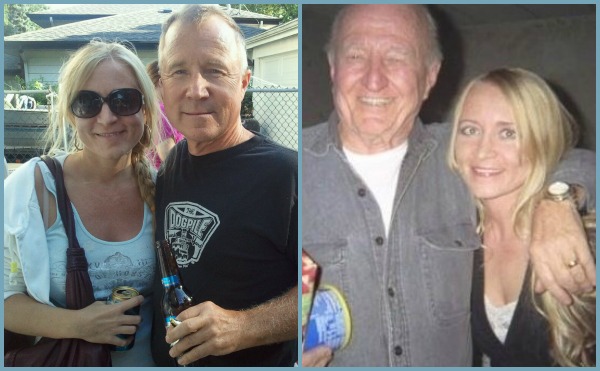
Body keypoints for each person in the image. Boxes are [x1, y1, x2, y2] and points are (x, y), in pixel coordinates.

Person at [302, 4, 596, 367]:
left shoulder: (461, 157)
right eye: (356, 55)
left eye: (396, 57)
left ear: (430, 76)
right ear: (333, 68)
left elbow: (561, 152)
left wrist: (560, 199)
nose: (373, 79)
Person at [151, 5, 297, 366]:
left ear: (244, 82)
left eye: (215, 70)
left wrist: (243, 326)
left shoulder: (290, 174)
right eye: (179, 71)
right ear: (162, 86)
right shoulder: (171, 167)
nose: (196, 89)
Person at [4, 40, 160, 366]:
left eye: (123, 100)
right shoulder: (33, 188)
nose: (106, 117)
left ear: (145, 108)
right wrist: (77, 325)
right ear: (70, 114)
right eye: (87, 103)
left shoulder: (165, 189)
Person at [448, 67, 596, 366]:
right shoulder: (457, 237)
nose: (482, 151)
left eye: (508, 133)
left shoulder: (581, 239)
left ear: (542, 141)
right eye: (470, 130)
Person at [145, 60, 184, 169]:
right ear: (161, 82)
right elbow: (169, 159)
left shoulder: (150, 110)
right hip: (168, 180)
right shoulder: (161, 112)